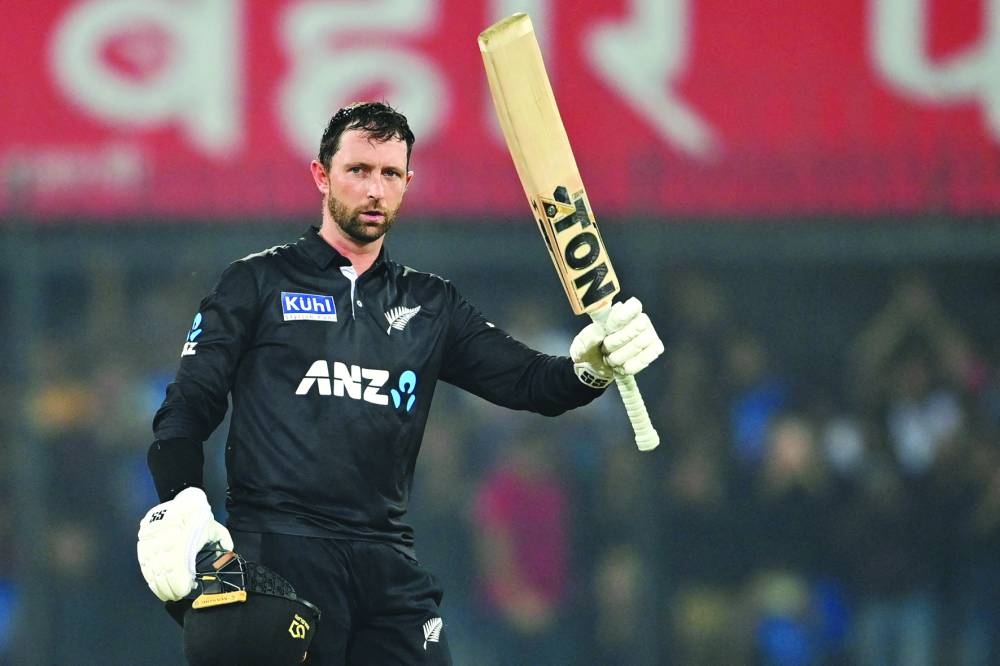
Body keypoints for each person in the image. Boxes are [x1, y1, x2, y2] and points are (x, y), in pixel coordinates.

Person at [135, 101, 663, 665]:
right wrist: (180, 497)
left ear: (407, 183)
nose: (374, 190)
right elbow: (187, 406)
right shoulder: (255, 282)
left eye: (390, 174)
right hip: (278, 556)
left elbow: (532, 384)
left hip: (386, 562)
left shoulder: (431, 304)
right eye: (358, 170)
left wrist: (591, 366)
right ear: (321, 175)